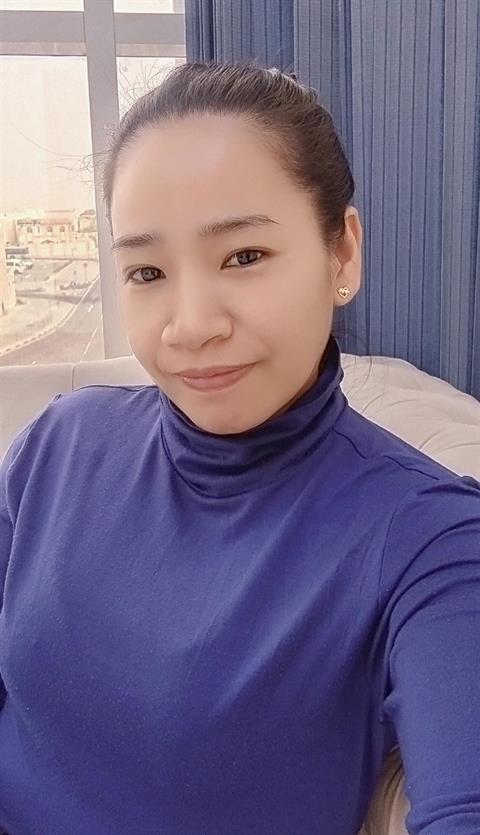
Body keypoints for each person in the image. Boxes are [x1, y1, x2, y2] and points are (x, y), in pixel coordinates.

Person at [0, 60, 479, 835]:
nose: (191, 325)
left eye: (244, 256)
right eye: (147, 270)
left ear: (343, 255)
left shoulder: (431, 540)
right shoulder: (57, 447)